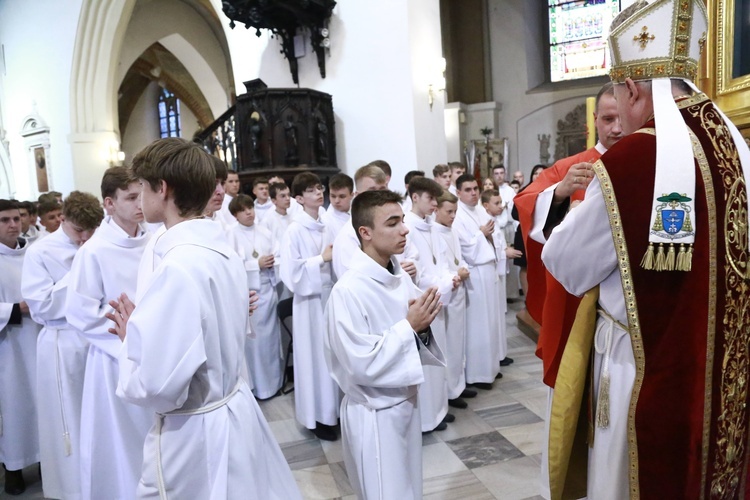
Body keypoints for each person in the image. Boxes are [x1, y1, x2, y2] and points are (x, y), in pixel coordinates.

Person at [541, 1, 750, 497]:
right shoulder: (734, 145)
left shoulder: (632, 159)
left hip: (638, 362)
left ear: (632, 88)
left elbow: (567, 265)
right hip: (724, 364)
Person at [108, 138, 300, 499]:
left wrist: (129, 339)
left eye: (143, 188)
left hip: (195, 435)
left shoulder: (178, 267)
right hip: (230, 411)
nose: (141, 198)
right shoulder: (221, 251)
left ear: (162, 189)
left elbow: (157, 387)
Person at [514, 82, 622, 500]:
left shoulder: (649, 163)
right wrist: (558, 195)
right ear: (596, 120)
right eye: (606, 119)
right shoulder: (574, 165)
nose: (613, 129)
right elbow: (526, 203)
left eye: (619, 118)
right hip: (576, 307)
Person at [324, 189, 444, 500]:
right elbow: (359, 363)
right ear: (365, 233)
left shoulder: (398, 275)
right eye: (392, 223)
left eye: (403, 220)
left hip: (405, 403)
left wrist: (423, 326)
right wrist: (410, 327)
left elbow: (415, 331)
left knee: (409, 489)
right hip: (374, 413)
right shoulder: (347, 291)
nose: (405, 229)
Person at [65, 167, 152, 500]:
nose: (139, 203)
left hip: (153, 355)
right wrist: (127, 335)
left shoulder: (154, 238)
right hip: (115, 359)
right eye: (130, 197)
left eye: (140, 194)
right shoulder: (94, 251)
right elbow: (80, 313)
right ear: (109, 203)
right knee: (122, 443)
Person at [22, 191, 104, 500]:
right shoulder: (41, 252)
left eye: (90, 230)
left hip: (94, 340)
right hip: (61, 341)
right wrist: (79, 269)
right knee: (69, 421)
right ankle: (73, 488)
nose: (84, 236)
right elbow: (41, 306)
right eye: (78, 230)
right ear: (63, 219)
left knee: (97, 416)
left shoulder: (94, 244)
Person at [279, 172, 341, 441]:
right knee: (313, 359)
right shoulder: (294, 229)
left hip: (329, 298)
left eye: (319, 188)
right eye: (311, 190)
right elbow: (290, 273)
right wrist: (320, 259)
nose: (319, 193)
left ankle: (333, 412)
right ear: (299, 198)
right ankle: (317, 417)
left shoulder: (327, 224)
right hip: (309, 302)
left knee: (331, 355)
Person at [403, 177, 455, 432]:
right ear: (414, 197)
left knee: (439, 355)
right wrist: (440, 285)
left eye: (436, 199)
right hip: (423, 299)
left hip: (439, 295)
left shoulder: (431, 226)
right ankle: (426, 418)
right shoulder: (407, 227)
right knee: (426, 360)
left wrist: (448, 279)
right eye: (430, 199)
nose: (435, 204)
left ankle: (439, 410)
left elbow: (441, 260)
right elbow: (414, 269)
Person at [0, 199, 41, 495]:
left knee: (41, 404)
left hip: (37, 339)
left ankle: (43, 461)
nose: (13, 225)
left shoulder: (35, 253)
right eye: (4, 220)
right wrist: (16, 309)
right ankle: (13, 467)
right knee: (14, 407)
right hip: (8, 346)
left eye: (16, 219)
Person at [229, 193, 283, 400]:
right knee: (254, 345)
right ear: (235, 215)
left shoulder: (264, 231)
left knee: (270, 343)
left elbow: (278, 256)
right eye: (243, 210)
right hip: (248, 296)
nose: (249, 212)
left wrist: (271, 263)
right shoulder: (231, 234)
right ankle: (257, 387)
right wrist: (255, 265)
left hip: (268, 291)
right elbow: (231, 267)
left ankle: (273, 384)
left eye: (250, 208)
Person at [452, 174, 501, 389]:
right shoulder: (458, 215)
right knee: (478, 325)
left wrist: (488, 236)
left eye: (475, 188)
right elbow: (466, 249)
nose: (473, 193)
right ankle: (476, 374)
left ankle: (490, 367)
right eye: (468, 189)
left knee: (490, 322)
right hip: (475, 272)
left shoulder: (480, 210)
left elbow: (494, 235)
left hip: (488, 269)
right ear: (458, 192)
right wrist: (481, 234)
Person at [432, 190, 475, 408]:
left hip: (458, 291)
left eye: (455, 211)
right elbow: (439, 268)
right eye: (449, 211)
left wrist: (463, 268)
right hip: (447, 293)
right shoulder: (434, 233)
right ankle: (450, 390)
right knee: (448, 344)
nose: (453, 216)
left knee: (459, 342)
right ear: (436, 209)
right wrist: (457, 275)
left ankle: (459, 384)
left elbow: (460, 258)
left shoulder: (452, 231)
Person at [482, 188, 522, 368]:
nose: (500, 206)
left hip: (498, 271)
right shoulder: (485, 221)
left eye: (500, 202)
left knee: (499, 314)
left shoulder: (494, 221)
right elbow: (490, 247)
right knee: (495, 315)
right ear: (485, 205)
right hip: (491, 271)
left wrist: (504, 251)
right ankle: (496, 354)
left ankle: (500, 353)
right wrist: (505, 252)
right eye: (496, 203)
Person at [321, 172, 353, 240]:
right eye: (333, 196)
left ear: (352, 195)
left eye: (342, 196)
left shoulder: (357, 214)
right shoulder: (325, 221)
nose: (336, 201)